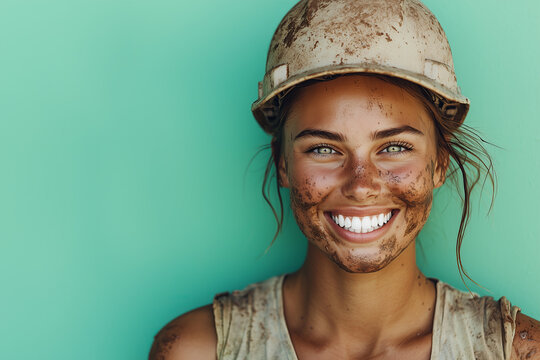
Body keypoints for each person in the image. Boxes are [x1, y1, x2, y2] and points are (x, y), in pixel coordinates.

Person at [149, 0, 540, 359]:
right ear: (283, 164)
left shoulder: (520, 351)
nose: (361, 185)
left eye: (394, 147)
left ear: (439, 162)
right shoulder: (197, 350)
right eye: (323, 149)